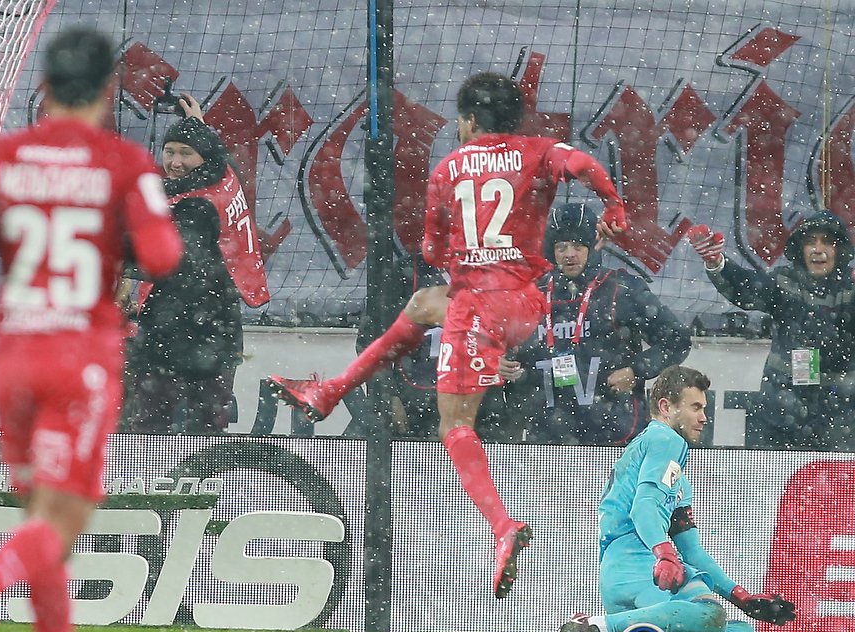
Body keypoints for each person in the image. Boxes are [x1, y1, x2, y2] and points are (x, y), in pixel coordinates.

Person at [274, 72, 627, 598]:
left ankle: (502, 527)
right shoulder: (538, 150)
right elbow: (580, 163)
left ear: (469, 120)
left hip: (478, 307)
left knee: (455, 426)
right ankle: (329, 391)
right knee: (422, 305)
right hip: (527, 303)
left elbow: (433, 251)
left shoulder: (449, 168)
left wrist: (467, 248)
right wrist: (613, 204)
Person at [0, 27, 183, 632]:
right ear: (108, 90)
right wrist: (109, 228)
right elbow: (163, 256)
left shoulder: (2, 153)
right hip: (80, 359)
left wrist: (8, 230)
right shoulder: (123, 162)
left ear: (43, 85)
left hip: (14, 357)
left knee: (39, 528)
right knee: (62, 523)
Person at [554, 365, 796, 632]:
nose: (704, 417)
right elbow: (644, 507)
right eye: (695, 407)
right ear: (666, 407)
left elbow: (692, 551)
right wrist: (665, 555)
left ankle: (624, 630)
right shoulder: (666, 439)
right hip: (640, 562)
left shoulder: (672, 474)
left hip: (620, 574)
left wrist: (742, 597)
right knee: (712, 616)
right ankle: (597, 626)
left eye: (704, 408)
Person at [122, 94, 268, 434]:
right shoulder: (223, 176)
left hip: (186, 329)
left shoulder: (197, 204)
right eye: (169, 151)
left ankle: (156, 467)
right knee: (205, 427)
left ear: (203, 156)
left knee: (153, 426)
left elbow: (170, 263)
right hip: (215, 326)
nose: (174, 162)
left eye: (185, 153)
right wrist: (197, 126)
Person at [500, 203, 691, 445]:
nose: (570, 254)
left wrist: (636, 371)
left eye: (578, 246)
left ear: (592, 248)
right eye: (561, 247)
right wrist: (498, 362)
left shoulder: (622, 289)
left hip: (614, 434)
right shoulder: (530, 294)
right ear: (551, 251)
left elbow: (677, 340)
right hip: (546, 439)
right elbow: (491, 343)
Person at [687, 211, 855, 449]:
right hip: (781, 410)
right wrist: (718, 264)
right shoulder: (785, 281)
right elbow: (749, 287)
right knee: (768, 472)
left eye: (827, 242)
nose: (818, 249)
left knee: (836, 474)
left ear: (841, 251)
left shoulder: (851, 286)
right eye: (810, 242)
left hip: (841, 415)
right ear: (801, 249)